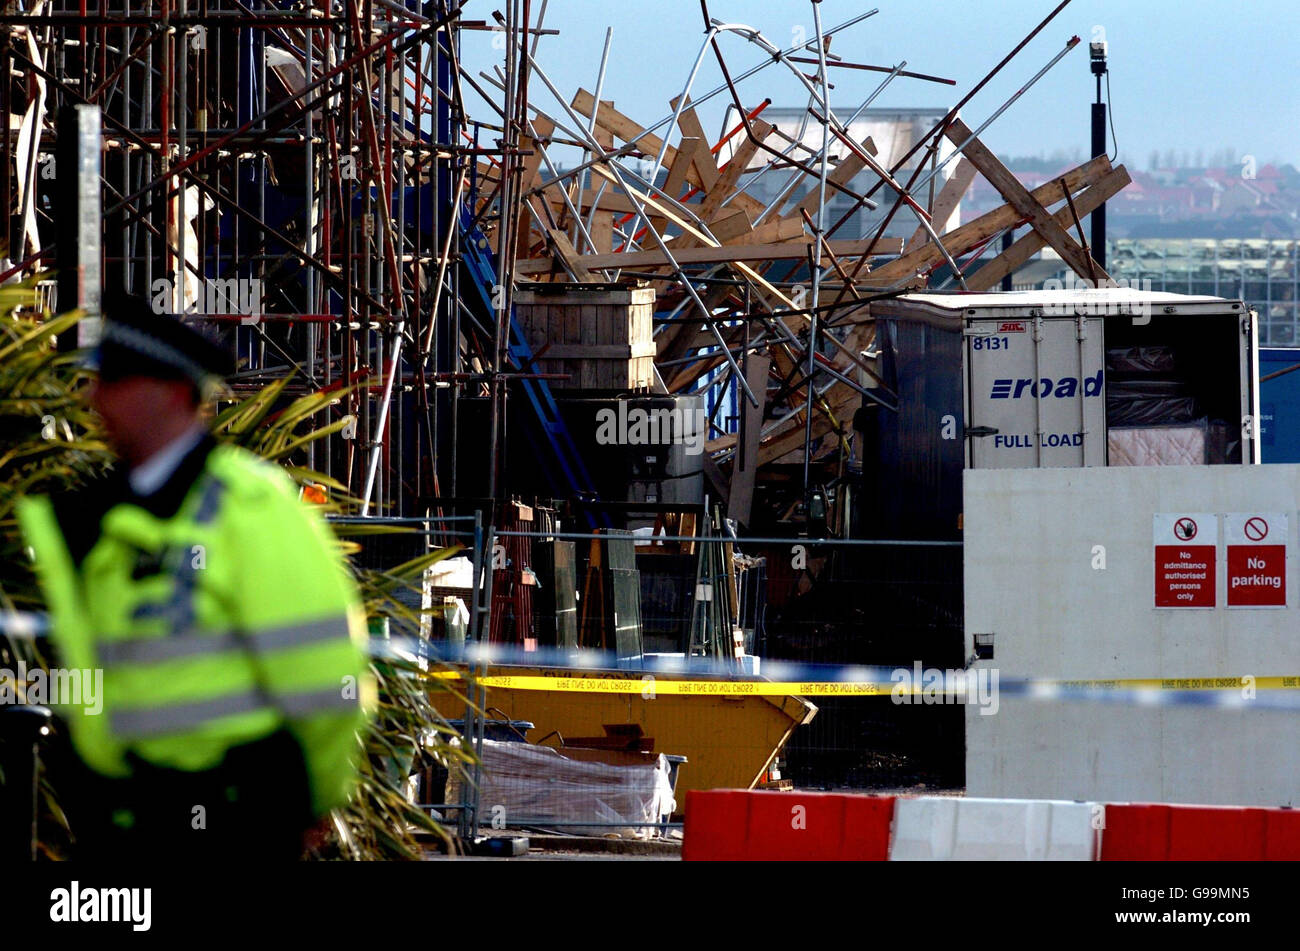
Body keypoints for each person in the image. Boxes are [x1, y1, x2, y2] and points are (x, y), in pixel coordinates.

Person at [18, 294, 372, 859]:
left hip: (233, 819)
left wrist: (309, 799)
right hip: (122, 818)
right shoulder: (92, 518)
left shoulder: (251, 506)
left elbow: (321, 667)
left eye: (118, 380)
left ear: (176, 393)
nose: (97, 397)